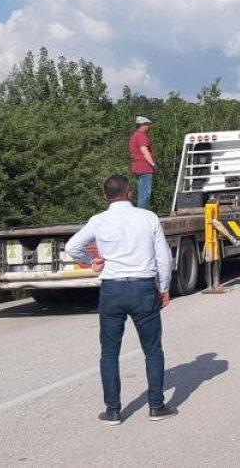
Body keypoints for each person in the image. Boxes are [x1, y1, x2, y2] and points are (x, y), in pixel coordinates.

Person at [64, 175, 175, 425]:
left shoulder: (99, 220)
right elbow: (164, 258)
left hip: (112, 290)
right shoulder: (148, 218)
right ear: (129, 193)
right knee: (153, 349)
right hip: (143, 287)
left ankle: (113, 410)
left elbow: (72, 247)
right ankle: (156, 406)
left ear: (106, 197)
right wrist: (165, 288)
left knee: (110, 352)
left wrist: (89, 261)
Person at [130, 116, 158, 209]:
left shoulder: (135, 135)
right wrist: (153, 164)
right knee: (145, 193)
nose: (149, 126)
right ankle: (142, 213)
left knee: (142, 191)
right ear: (142, 125)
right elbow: (144, 151)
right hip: (144, 167)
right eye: (147, 124)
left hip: (138, 167)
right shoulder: (141, 136)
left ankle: (141, 211)